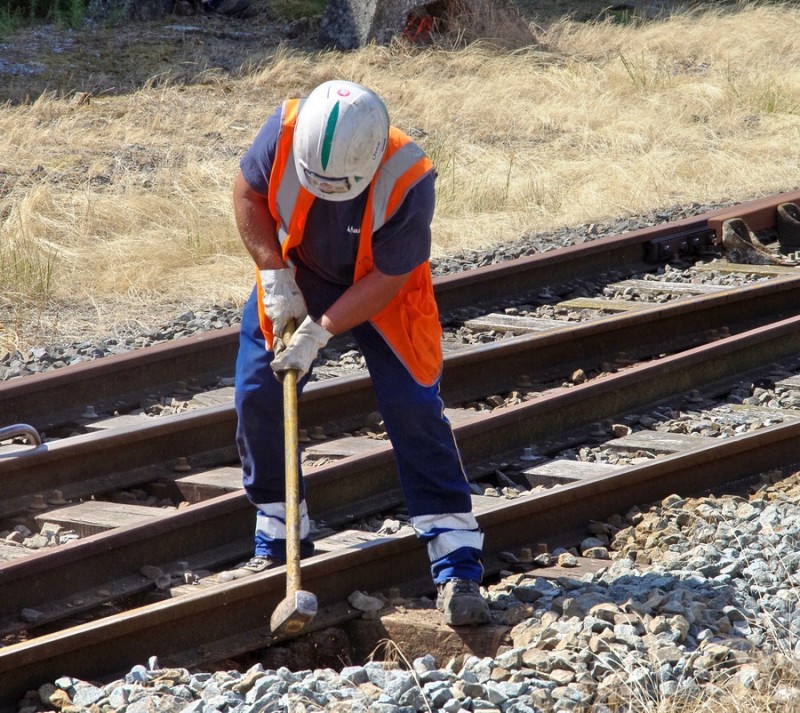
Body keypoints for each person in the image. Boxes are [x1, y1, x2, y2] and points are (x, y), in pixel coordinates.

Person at [228, 79, 490, 627]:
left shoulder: (408, 178)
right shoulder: (283, 131)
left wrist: (320, 332)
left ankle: (455, 557)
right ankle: (279, 527)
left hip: (382, 288)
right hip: (298, 273)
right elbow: (248, 196)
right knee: (258, 389)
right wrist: (275, 274)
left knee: (412, 407)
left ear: (371, 159)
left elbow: (390, 276)